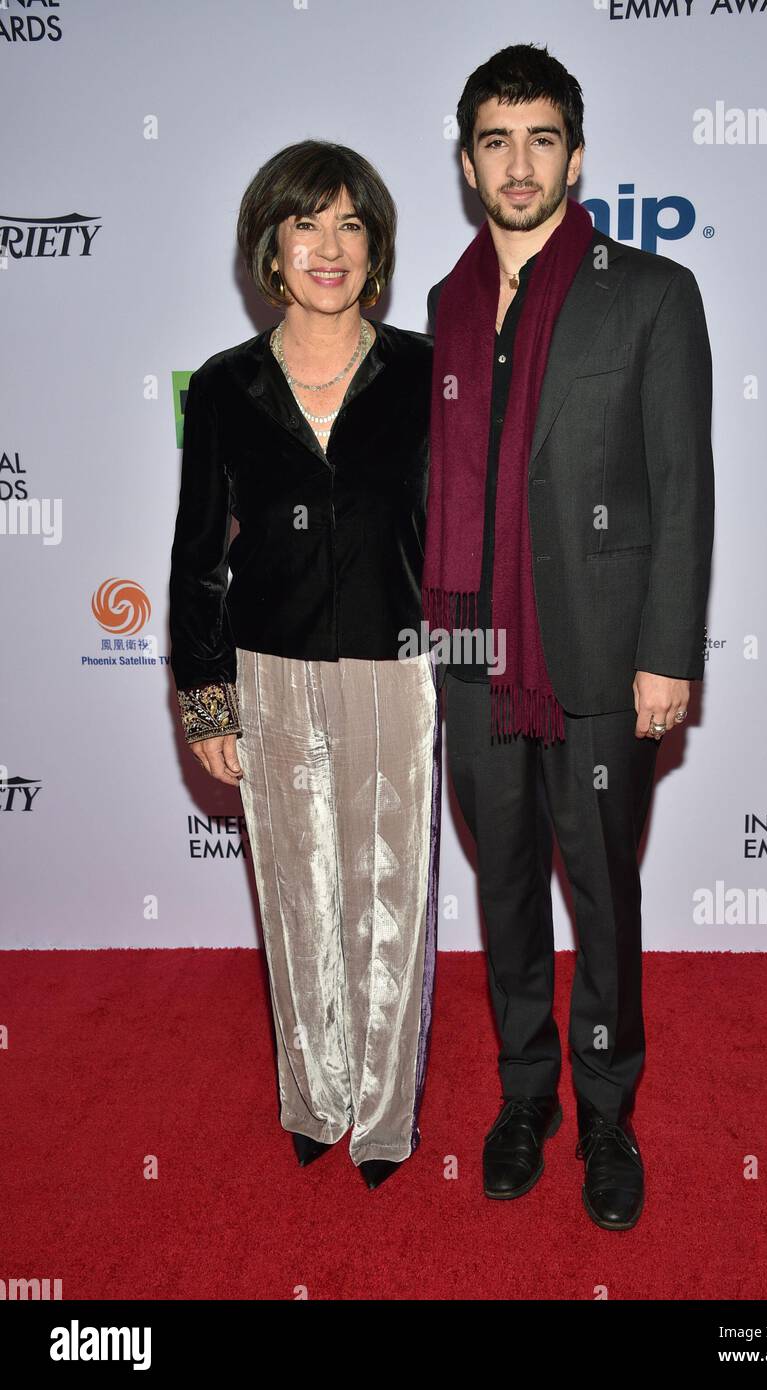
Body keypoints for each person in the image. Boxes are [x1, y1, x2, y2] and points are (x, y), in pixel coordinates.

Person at [424, 44, 714, 1229]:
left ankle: (606, 1109)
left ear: (576, 155)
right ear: (467, 162)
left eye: (542, 138)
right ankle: (524, 1094)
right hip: (472, 659)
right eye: (497, 140)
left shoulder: (647, 291)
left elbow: (681, 488)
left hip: (599, 658)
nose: (520, 162)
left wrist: (669, 653)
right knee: (500, 887)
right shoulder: (441, 306)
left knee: (599, 890)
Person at [168, 140, 439, 1190]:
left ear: (374, 249)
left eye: (350, 224)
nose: (328, 246)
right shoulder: (229, 386)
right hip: (267, 666)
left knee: (390, 895)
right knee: (294, 889)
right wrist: (206, 702)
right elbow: (197, 552)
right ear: (270, 248)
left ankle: (380, 1116)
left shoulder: (424, 372)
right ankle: (314, 1097)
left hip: (395, 662)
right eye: (305, 224)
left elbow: (464, 528)